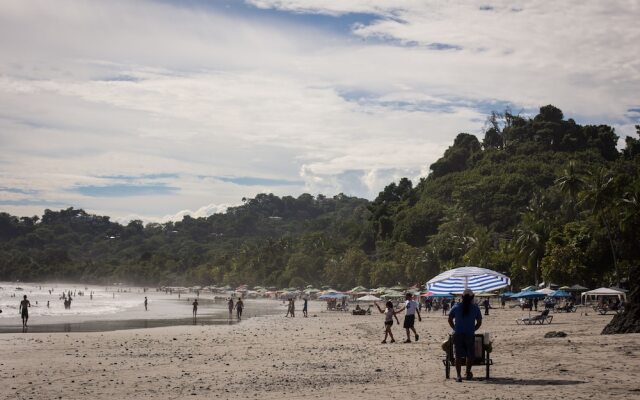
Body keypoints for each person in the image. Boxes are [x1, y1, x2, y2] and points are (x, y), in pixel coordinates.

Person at [448, 289, 482, 382]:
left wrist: (455, 328)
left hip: (458, 334)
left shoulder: (456, 307)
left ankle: (458, 376)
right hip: (469, 335)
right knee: (470, 355)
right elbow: (479, 322)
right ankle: (467, 373)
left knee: (458, 356)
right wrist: (473, 329)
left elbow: (450, 319)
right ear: (472, 297)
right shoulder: (475, 308)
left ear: (462, 297)